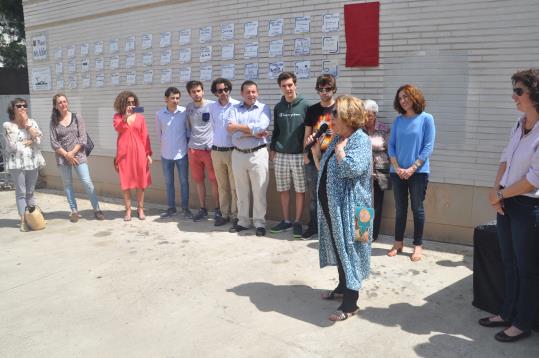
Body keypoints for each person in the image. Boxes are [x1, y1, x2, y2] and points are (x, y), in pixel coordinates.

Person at [479, 68, 539, 343]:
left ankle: (522, 322)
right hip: (506, 200)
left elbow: (533, 181)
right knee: (509, 262)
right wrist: (496, 190)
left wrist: (502, 196)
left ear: (535, 95)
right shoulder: (519, 123)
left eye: (518, 91)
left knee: (526, 268)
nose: (513, 96)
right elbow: (505, 159)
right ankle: (506, 312)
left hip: (527, 206)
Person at [307, 95, 372, 322]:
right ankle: (344, 286)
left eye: (335, 115)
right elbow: (326, 170)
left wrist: (341, 152)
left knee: (352, 250)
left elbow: (350, 170)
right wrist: (317, 154)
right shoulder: (337, 139)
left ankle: (351, 303)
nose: (330, 119)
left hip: (356, 211)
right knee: (340, 247)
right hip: (335, 208)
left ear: (348, 117)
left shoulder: (360, 140)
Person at [387, 84, 435, 262]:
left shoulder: (426, 119)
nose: (403, 100)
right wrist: (397, 166)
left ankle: (417, 245)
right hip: (397, 172)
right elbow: (391, 145)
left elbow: (428, 146)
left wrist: (412, 168)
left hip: (419, 172)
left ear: (414, 97)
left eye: (406, 96)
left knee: (417, 209)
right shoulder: (398, 120)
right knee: (400, 209)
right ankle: (398, 242)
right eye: (400, 98)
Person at [49, 93, 104, 222]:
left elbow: (82, 137)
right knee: (67, 185)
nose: (63, 104)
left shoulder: (76, 117)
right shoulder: (53, 121)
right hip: (63, 158)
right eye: (60, 102)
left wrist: (72, 153)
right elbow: (54, 142)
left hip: (78, 155)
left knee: (87, 182)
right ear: (55, 106)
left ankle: (97, 209)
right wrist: (66, 155)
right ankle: (74, 211)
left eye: (64, 101)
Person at [227, 80, 271, 237]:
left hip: (257, 154)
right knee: (241, 191)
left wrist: (240, 128)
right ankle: (243, 222)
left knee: (259, 191)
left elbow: (262, 127)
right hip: (238, 154)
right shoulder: (233, 109)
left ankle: (259, 223)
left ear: (257, 93)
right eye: (248, 92)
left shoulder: (264, 108)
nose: (251, 95)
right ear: (242, 94)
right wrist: (253, 131)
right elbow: (230, 129)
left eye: (253, 92)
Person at [270, 71, 310, 238]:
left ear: (295, 85)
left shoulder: (305, 106)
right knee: (283, 189)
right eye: (284, 86)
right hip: (280, 154)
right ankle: (286, 220)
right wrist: (272, 148)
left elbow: (309, 131)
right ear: (280, 88)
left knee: (300, 190)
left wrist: (306, 152)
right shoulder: (278, 107)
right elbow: (276, 130)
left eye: (290, 85)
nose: (287, 88)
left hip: (298, 155)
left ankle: (297, 222)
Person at [2, 98, 46, 231]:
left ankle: (33, 218)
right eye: (19, 106)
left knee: (31, 192)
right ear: (13, 109)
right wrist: (30, 141)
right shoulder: (8, 125)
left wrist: (27, 125)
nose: (22, 108)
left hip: (32, 161)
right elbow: (12, 147)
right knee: (21, 193)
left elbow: (38, 140)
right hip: (18, 164)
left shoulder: (32, 123)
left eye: (24, 106)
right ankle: (23, 221)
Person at [303, 74, 337, 239]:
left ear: (334, 89)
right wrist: (305, 155)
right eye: (320, 89)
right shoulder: (312, 110)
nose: (324, 92)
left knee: (332, 195)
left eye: (328, 89)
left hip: (334, 159)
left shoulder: (340, 109)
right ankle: (313, 226)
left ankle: (331, 229)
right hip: (314, 157)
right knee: (314, 195)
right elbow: (307, 134)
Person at [113, 91, 152, 221]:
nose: (131, 105)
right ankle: (128, 210)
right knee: (126, 182)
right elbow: (118, 128)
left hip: (140, 152)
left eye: (133, 102)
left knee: (140, 182)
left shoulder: (140, 118)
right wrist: (125, 117)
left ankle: (140, 209)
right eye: (128, 103)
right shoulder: (117, 117)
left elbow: (145, 136)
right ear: (122, 104)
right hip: (124, 153)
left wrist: (148, 154)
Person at [185, 80, 220, 222]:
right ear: (189, 94)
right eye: (193, 92)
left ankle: (218, 209)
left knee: (214, 181)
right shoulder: (188, 107)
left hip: (209, 150)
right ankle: (202, 209)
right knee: (198, 181)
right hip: (193, 150)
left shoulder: (212, 105)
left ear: (203, 91)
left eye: (198, 91)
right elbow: (188, 127)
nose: (196, 94)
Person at [156, 87, 192, 219]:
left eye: (177, 98)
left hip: (182, 153)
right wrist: (164, 147)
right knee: (169, 182)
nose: (175, 100)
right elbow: (159, 134)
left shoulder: (184, 112)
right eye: (172, 98)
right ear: (166, 99)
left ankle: (185, 208)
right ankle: (171, 208)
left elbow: (188, 131)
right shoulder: (159, 114)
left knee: (184, 182)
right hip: (166, 155)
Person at [209, 78, 240, 228]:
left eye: (226, 89)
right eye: (220, 90)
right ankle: (224, 214)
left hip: (232, 151)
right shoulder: (212, 107)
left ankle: (235, 215)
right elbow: (213, 127)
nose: (223, 93)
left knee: (234, 186)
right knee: (222, 186)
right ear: (215, 92)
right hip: (216, 152)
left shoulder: (236, 105)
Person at [364, 99, 390, 241]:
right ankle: (363, 232)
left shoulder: (384, 129)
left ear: (374, 115)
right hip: (363, 169)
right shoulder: (359, 129)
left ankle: (373, 234)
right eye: (364, 115)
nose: (366, 118)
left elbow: (389, 150)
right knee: (362, 200)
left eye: (368, 115)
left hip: (380, 169)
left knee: (378, 202)